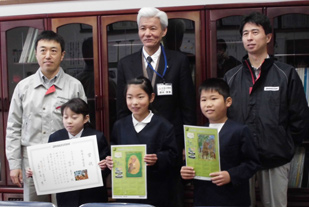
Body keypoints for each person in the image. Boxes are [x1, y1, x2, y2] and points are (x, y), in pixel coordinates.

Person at [223, 12, 309, 207]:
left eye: (255, 32)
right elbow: (223, 115)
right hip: (240, 158)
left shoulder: (286, 74)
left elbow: (300, 116)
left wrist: (285, 144)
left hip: (275, 157)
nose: (250, 38)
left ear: (268, 37)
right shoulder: (231, 76)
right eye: (245, 33)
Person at [116, 7, 196, 206]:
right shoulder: (126, 63)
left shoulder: (179, 61)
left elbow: (188, 105)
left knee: (170, 195)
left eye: (153, 28)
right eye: (143, 28)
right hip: (135, 143)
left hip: (170, 141)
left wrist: (188, 144)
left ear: (164, 31)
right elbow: (121, 107)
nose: (147, 33)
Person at [5, 30, 87, 202]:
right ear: (36, 53)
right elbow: (13, 127)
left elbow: (83, 127)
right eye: (43, 50)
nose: (48, 55)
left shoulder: (74, 86)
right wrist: (14, 165)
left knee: (66, 204)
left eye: (53, 50)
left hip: (65, 160)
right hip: (31, 163)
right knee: (34, 206)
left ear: (62, 55)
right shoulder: (23, 87)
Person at [180, 78, 260, 206]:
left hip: (232, 198)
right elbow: (191, 161)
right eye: (203, 100)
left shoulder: (239, 130)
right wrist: (185, 171)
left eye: (213, 99)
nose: (208, 104)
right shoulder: (197, 133)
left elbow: (252, 163)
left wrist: (231, 175)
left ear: (228, 102)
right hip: (203, 198)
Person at [107, 76, 178, 207]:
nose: (134, 102)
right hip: (127, 190)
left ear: (151, 98)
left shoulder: (163, 126)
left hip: (155, 189)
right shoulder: (120, 125)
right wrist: (110, 161)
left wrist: (158, 158)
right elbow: (114, 148)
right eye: (130, 97)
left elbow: (173, 156)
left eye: (140, 97)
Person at [27, 98, 109, 207]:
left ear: (86, 119)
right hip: (66, 197)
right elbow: (50, 165)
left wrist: (103, 166)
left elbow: (107, 167)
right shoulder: (55, 137)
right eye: (65, 117)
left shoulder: (97, 137)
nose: (69, 121)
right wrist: (35, 173)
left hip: (91, 195)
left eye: (74, 117)